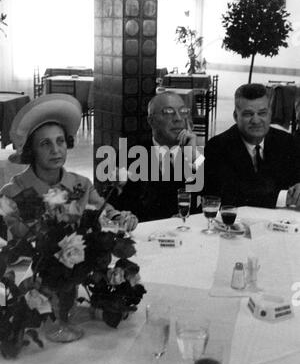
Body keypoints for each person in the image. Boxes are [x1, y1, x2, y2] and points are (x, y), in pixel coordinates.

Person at [0, 94, 138, 246]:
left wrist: (121, 218)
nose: (55, 150)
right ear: (31, 150)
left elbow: (105, 211)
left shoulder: (82, 184)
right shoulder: (12, 192)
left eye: (60, 141)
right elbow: (20, 237)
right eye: (45, 143)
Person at [109, 91, 204, 221]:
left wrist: (193, 156)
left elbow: (213, 197)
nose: (178, 118)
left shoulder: (194, 155)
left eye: (183, 112)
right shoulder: (130, 156)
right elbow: (118, 209)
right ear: (151, 121)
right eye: (168, 113)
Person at [203, 83, 300, 208]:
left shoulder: (286, 141)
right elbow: (230, 198)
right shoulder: (217, 147)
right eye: (248, 114)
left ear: (270, 114)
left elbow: (296, 178)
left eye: (262, 113)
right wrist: (284, 198)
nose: (256, 120)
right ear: (235, 116)